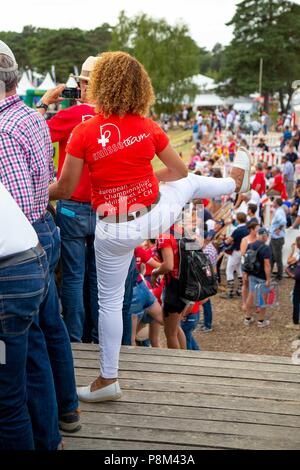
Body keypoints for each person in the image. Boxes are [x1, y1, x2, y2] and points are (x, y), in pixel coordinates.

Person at [48, 51, 251, 403]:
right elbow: (179, 172)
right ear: (140, 87)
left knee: (109, 305)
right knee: (187, 186)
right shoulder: (148, 127)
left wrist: (34, 192)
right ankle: (235, 185)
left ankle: (108, 379)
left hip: (112, 227)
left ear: (99, 85)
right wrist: (142, 181)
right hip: (150, 216)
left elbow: (65, 189)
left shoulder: (83, 131)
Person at [0, 41, 79, 433]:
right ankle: (66, 411)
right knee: (49, 328)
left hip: (23, 241)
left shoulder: (3, 129)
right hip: (43, 229)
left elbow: (11, 203)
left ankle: (48, 431)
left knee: (30, 345)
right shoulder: (27, 117)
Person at [37, 57, 99, 343]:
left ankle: (75, 338)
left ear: (86, 85)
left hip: (73, 204)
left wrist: (44, 102)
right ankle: (99, 338)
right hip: (106, 207)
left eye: (81, 84)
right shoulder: (116, 116)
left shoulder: (73, 116)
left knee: (73, 277)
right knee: (100, 280)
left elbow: (34, 132)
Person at [0, 182, 61, 450]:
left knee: (6, 397)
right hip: (31, 263)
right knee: (28, 356)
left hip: (10, 278)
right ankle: (49, 441)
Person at [244, 228, 272, 328]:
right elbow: (267, 265)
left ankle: (247, 318)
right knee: (263, 297)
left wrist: (246, 273)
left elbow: (246, 261)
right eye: (267, 236)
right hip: (262, 276)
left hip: (252, 274)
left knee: (251, 295)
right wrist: (268, 278)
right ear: (264, 236)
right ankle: (261, 321)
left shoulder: (250, 245)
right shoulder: (266, 248)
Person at [222, 212, 249, 299]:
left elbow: (229, 241)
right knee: (239, 269)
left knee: (229, 270)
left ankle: (230, 291)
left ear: (238, 219)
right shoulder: (248, 229)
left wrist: (224, 242)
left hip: (236, 251)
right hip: (243, 252)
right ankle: (240, 290)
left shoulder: (237, 230)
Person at [240, 220, 259, 311]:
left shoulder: (259, 239)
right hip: (247, 265)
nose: (259, 230)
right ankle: (244, 303)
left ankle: (257, 303)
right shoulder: (245, 240)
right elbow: (243, 254)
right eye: (257, 229)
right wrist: (245, 270)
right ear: (252, 229)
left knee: (258, 284)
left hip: (257, 266)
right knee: (245, 284)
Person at [270, 198, 287, 281]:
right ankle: (269, 272)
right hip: (275, 238)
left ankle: (279, 276)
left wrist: (279, 229)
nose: (272, 203)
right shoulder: (279, 211)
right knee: (272, 256)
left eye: (273, 202)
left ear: (276, 203)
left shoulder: (279, 212)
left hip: (277, 238)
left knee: (277, 257)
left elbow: (283, 222)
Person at [285, 238, 300, 330]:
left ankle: (295, 322)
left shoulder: (298, 254)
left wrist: (292, 251)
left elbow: (289, 261)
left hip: (299, 281)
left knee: (296, 299)